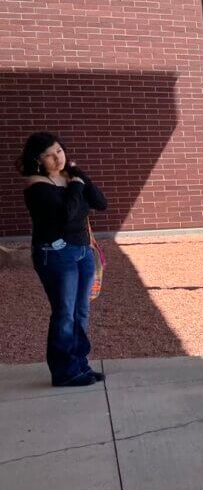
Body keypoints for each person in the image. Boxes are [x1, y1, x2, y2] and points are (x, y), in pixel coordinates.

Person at [19, 133, 108, 387]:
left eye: (59, 150)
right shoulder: (36, 186)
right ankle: (63, 372)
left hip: (82, 251)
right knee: (64, 313)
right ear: (38, 160)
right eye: (49, 154)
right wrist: (76, 186)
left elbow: (101, 203)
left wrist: (79, 174)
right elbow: (66, 217)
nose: (57, 157)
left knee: (81, 311)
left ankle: (79, 365)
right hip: (55, 254)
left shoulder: (70, 177)